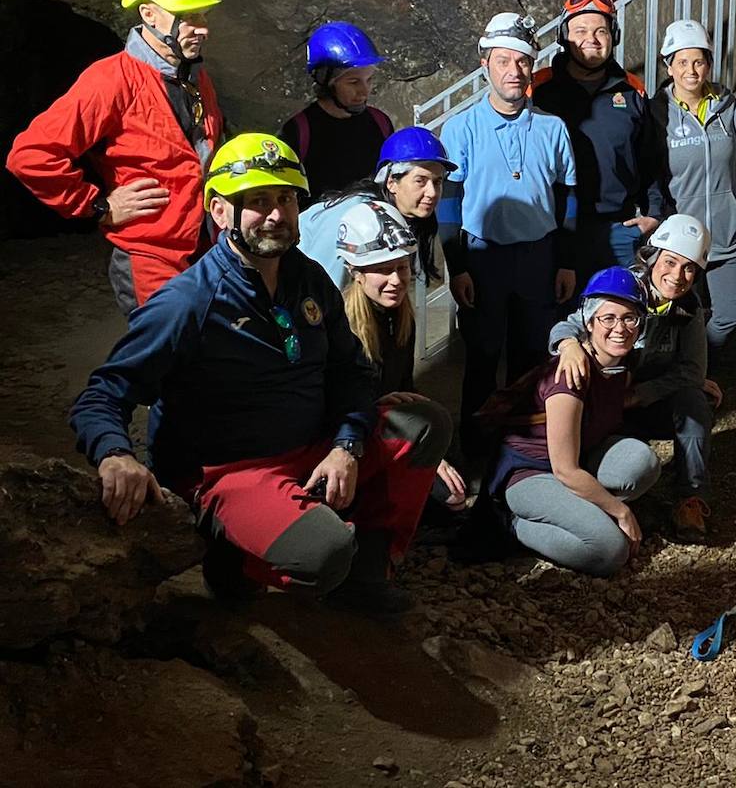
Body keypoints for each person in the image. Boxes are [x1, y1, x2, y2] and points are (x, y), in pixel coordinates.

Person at [69, 133, 452, 613]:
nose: (276, 214)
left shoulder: (307, 278)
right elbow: (104, 392)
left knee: (423, 424)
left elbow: (350, 371)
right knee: (325, 554)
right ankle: (228, 554)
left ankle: (365, 576)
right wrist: (114, 454)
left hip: (311, 445)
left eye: (286, 199)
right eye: (258, 201)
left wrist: (346, 444)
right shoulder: (189, 303)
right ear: (220, 211)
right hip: (234, 470)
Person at [6, 0, 227, 314]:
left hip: (207, 253)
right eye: (188, 16)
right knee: (170, 349)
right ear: (149, 14)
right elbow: (30, 156)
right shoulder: (111, 81)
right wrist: (98, 206)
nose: (202, 28)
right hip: (152, 261)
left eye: (204, 15)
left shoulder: (195, 78)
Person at [438, 12, 578, 424]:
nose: (513, 71)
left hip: (538, 255)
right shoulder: (461, 128)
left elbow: (568, 198)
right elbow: (449, 203)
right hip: (484, 258)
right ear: (485, 65)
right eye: (503, 61)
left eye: (522, 61)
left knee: (531, 357)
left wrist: (566, 261)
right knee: (481, 356)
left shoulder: (553, 128)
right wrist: (457, 267)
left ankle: (520, 446)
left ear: (532, 66)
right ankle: (478, 446)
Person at [482, 268, 661, 576]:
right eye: (608, 318)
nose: (620, 328)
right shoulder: (570, 375)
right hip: (530, 472)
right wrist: (620, 511)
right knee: (610, 551)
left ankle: (585, 512)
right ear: (588, 322)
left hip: (577, 460)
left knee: (643, 462)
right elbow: (565, 470)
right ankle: (512, 524)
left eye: (629, 318)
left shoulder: (618, 367)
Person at [549, 215, 718, 540]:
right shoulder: (622, 287)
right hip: (602, 403)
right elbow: (567, 325)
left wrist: (641, 393)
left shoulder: (688, 307)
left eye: (689, 268)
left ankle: (691, 498)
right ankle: (582, 485)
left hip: (640, 401)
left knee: (696, 401)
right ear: (653, 257)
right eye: (670, 262)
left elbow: (693, 371)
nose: (677, 276)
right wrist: (568, 345)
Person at [335, 199, 469, 519]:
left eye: (402, 267)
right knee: (444, 499)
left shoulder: (401, 316)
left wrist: (434, 452)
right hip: (352, 440)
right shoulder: (339, 328)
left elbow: (406, 388)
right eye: (383, 270)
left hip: (389, 428)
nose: (396, 280)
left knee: (454, 496)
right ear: (355, 272)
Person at [531, 0, 666, 281]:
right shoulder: (539, 90)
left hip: (619, 231)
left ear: (613, 36)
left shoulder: (632, 91)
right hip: (552, 232)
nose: (591, 39)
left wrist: (654, 214)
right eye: (580, 31)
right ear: (564, 37)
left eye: (600, 31)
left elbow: (650, 159)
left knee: (619, 309)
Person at [648, 18, 736, 355]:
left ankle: (697, 364)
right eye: (682, 62)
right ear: (669, 66)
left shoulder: (728, 105)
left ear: (709, 64)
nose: (691, 71)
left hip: (726, 230)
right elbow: (648, 173)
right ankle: (684, 374)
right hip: (679, 239)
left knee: (730, 314)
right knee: (679, 316)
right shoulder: (655, 113)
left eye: (699, 61)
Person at [298, 125, 455, 298]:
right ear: (391, 182)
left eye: (437, 182)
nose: (432, 192)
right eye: (420, 181)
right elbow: (322, 291)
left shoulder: (405, 217)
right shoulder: (354, 215)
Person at [280, 21, 394, 201]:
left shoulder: (380, 123)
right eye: (353, 82)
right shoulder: (298, 132)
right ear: (326, 81)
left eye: (369, 80)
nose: (364, 91)